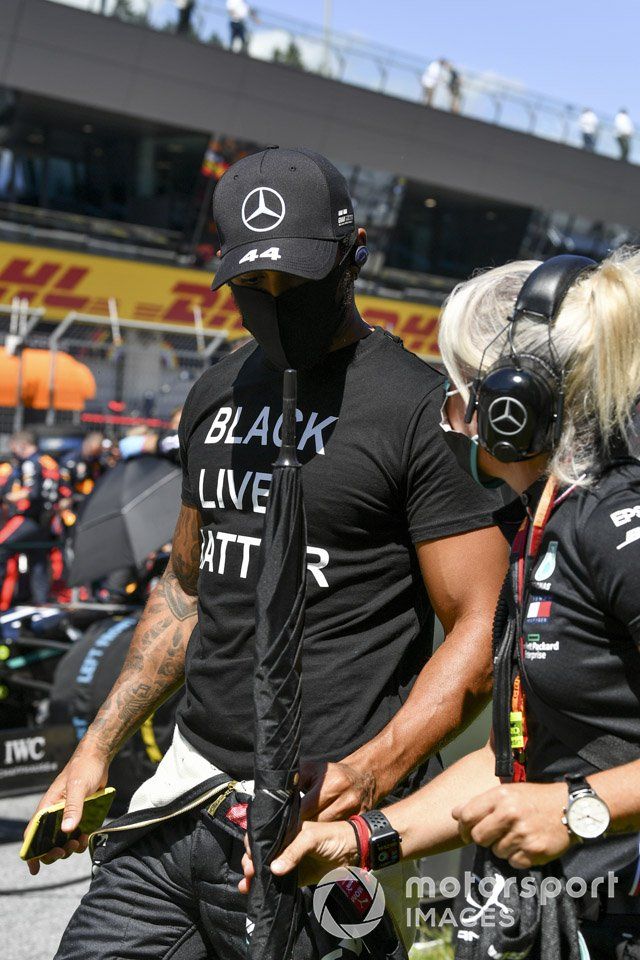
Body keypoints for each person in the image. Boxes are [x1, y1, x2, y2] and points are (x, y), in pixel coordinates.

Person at [28, 146, 507, 959]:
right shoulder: (216, 391)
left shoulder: (419, 410)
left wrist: (369, 773)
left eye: (298, 280)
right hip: (183, 793)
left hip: (312, 827)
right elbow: (186, 587)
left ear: (354, 258)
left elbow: (480, 628)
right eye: (255, 285)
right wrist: (95, 750)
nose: (277, 301)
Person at [254, 251, 640, 958]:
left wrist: (580, 809)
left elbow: (559, 795)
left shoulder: (616, 526)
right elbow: (515, 760)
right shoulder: (541, 527)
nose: (449, 416)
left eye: (460, 393)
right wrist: (358, 839)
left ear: (513, 408)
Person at [0, 430, 60, 606]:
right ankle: (38, 601)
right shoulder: (48, 462)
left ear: (22, 445)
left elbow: (31, 492)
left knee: (2, 546)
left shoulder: (30, 463)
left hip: (29, 517)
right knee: (37, 557)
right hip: (46, 519)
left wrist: (7, 498)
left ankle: (6, 602)